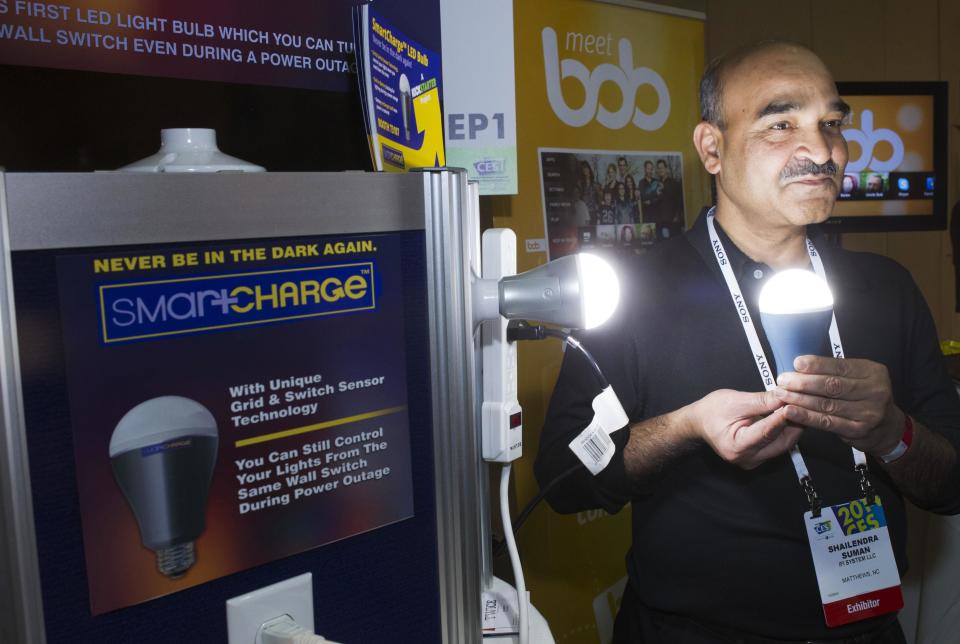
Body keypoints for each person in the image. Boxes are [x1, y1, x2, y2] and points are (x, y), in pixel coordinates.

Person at [535, 41, 960, 644]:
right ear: (711, 147)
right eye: (780, 124)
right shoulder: (628, 291)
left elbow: (952, 484)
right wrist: (683, 429)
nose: (821, 151)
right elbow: (564, 476)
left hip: (864, 630)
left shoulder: (886, 288)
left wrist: (893, 433)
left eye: (831, 124)